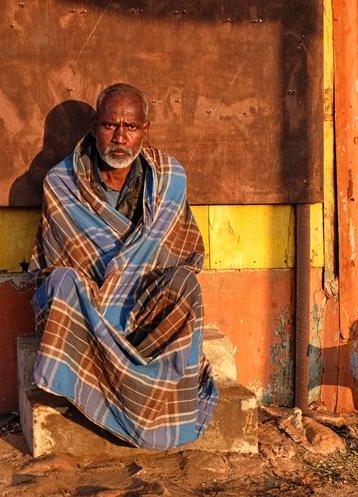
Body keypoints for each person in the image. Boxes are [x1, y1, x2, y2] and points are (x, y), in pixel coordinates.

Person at [28, 83, 218, 450]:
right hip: (91, 311)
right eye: (109, 125)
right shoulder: (61, 182)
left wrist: (135, 282)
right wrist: (104, 291)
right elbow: (50, 266)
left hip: (145, 305)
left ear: (144, 131)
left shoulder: (169, 179)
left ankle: (156, 400)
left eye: (130, 127)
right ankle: (97, 393)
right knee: (64, 283)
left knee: (185, 285)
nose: (119, 137)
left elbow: (184, 250)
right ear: (95, 127)